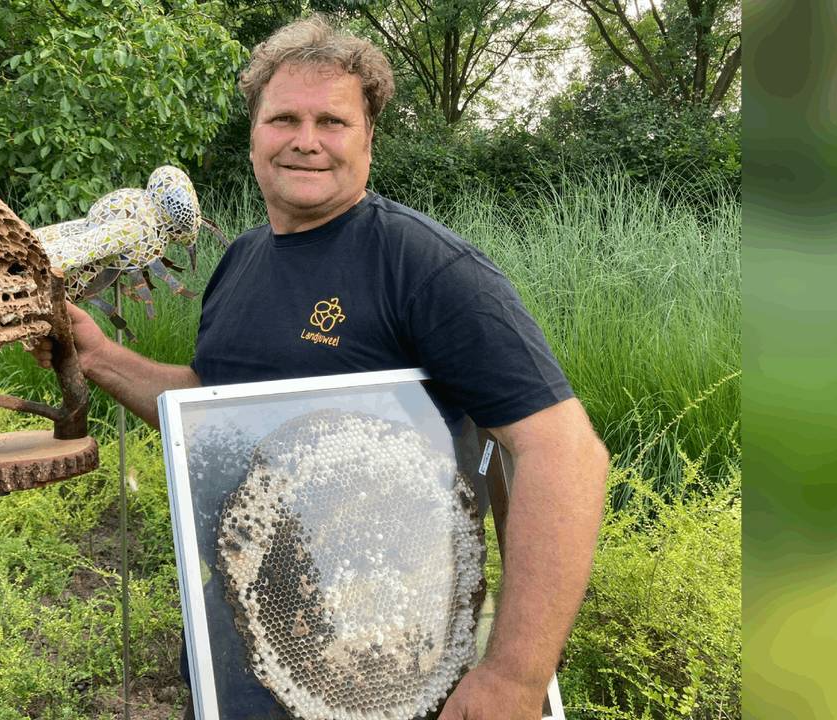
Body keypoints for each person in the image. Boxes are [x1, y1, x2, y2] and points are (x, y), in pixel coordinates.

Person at [32, 14, 608, 720]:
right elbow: (219, 411)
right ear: (254, 136)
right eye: (284, 119)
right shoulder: (241, 262)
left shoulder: (425, 266)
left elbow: (563, 452)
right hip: (244, 648)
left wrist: (515, 676)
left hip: (394, 668)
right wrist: (95, 355)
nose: (306, 141)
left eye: (332, 121)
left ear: (369, 137)